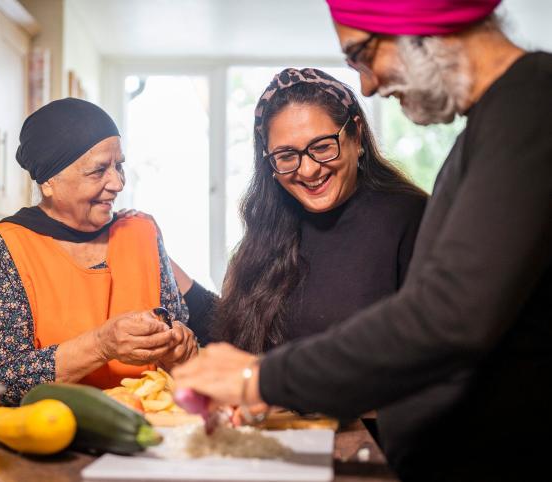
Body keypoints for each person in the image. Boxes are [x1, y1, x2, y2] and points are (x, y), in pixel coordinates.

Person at [173, 1, 552, 480]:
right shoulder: (496, 120)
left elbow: (448, 315)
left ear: (419, 21)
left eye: (364, 54)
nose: (369, 84)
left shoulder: (533, 102)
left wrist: (261, 378)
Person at [0, 98, 198, 406]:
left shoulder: (143, 233)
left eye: (119, 166)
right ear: (49, 181)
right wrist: (102, 345)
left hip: (146, 435)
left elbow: (181, 351)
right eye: (99, 170)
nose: (117, 183)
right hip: (43, 441)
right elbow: (0, 379)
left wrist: (181, 349)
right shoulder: (6, 247)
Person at [212, 67, 426, 353]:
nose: (309, 169)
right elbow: (231, 334)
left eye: (323, 147)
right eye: (287, 156)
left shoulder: (410, 217)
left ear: (356, 136)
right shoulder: (267, 231)